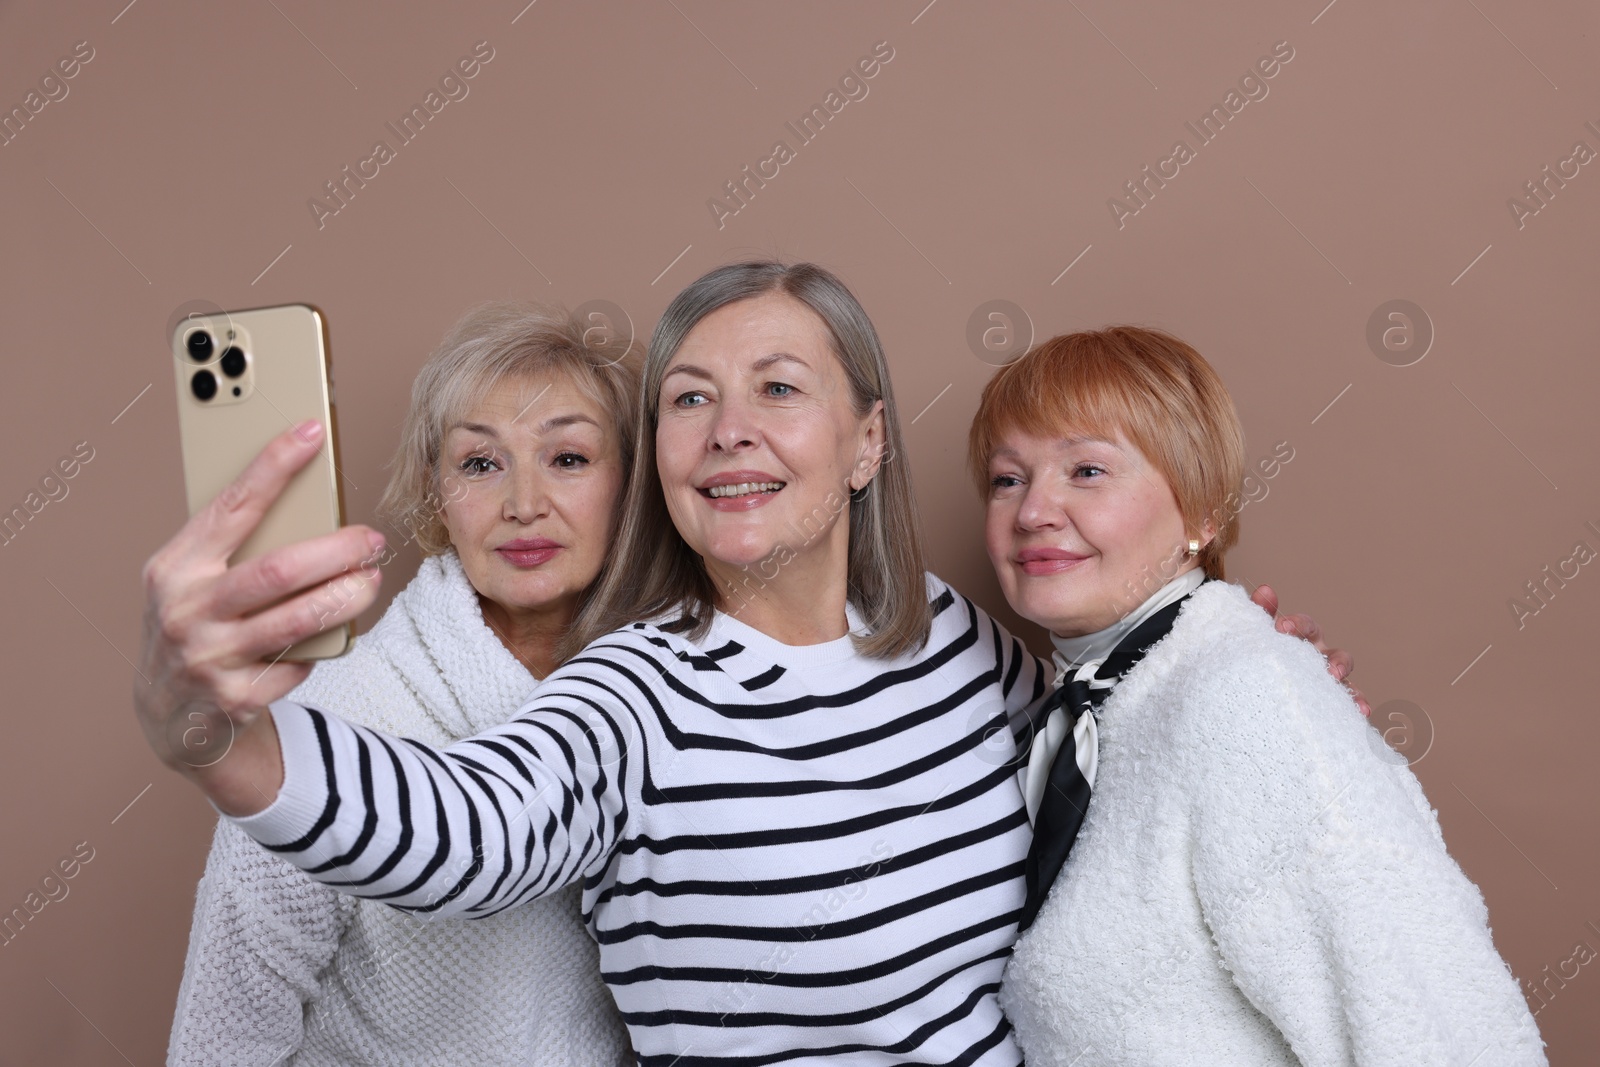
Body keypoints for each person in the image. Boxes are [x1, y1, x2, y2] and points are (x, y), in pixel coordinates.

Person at [135, 262, 1356, 1066]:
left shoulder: (952, 636)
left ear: (865, 440)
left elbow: (1112, 780)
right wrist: (211, 731)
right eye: (687, 397)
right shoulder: (629, 697)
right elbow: (462, 831)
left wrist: (1220, 670)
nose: (729, 426)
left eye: (778, 387)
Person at [975, 328, 1546, 1066]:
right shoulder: (1057, 714)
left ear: (1203, 513)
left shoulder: (1250, 694)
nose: (1032, 511)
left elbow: (1426, 1016)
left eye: (1086, 469)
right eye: (1006, 478)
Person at [166, 303, 639, 1066]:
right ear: (435, 491)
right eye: (480, 463)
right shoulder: (332, 719)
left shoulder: (663, 700)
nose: (523, 503)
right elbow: (224, 1036)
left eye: (569, 458)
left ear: (631, 485)